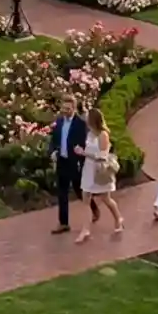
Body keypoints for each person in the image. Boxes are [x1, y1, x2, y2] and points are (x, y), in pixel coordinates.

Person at [77, 106, 122, 241]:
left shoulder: (103, 135)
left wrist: (84, 153)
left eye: (88, 119)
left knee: (106, 198)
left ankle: (118, 218)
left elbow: (102, 155)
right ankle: (85, 229)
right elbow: (81, 116)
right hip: (88, 169)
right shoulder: (90, 133)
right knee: (86, 199)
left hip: (100, 170)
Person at [47, 95, 88, 235]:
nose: (65, 111)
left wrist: (81, 160)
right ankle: (64, 223)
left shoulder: (80, 124)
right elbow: (53, 140)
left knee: (80, 190)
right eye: (63, 108)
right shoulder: (59, 122)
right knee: (62, 192)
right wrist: (52, 151)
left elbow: (84, 144)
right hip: (62, 161)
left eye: (68, 108)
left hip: (74, 162)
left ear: (74, 108)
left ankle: (93, 208)